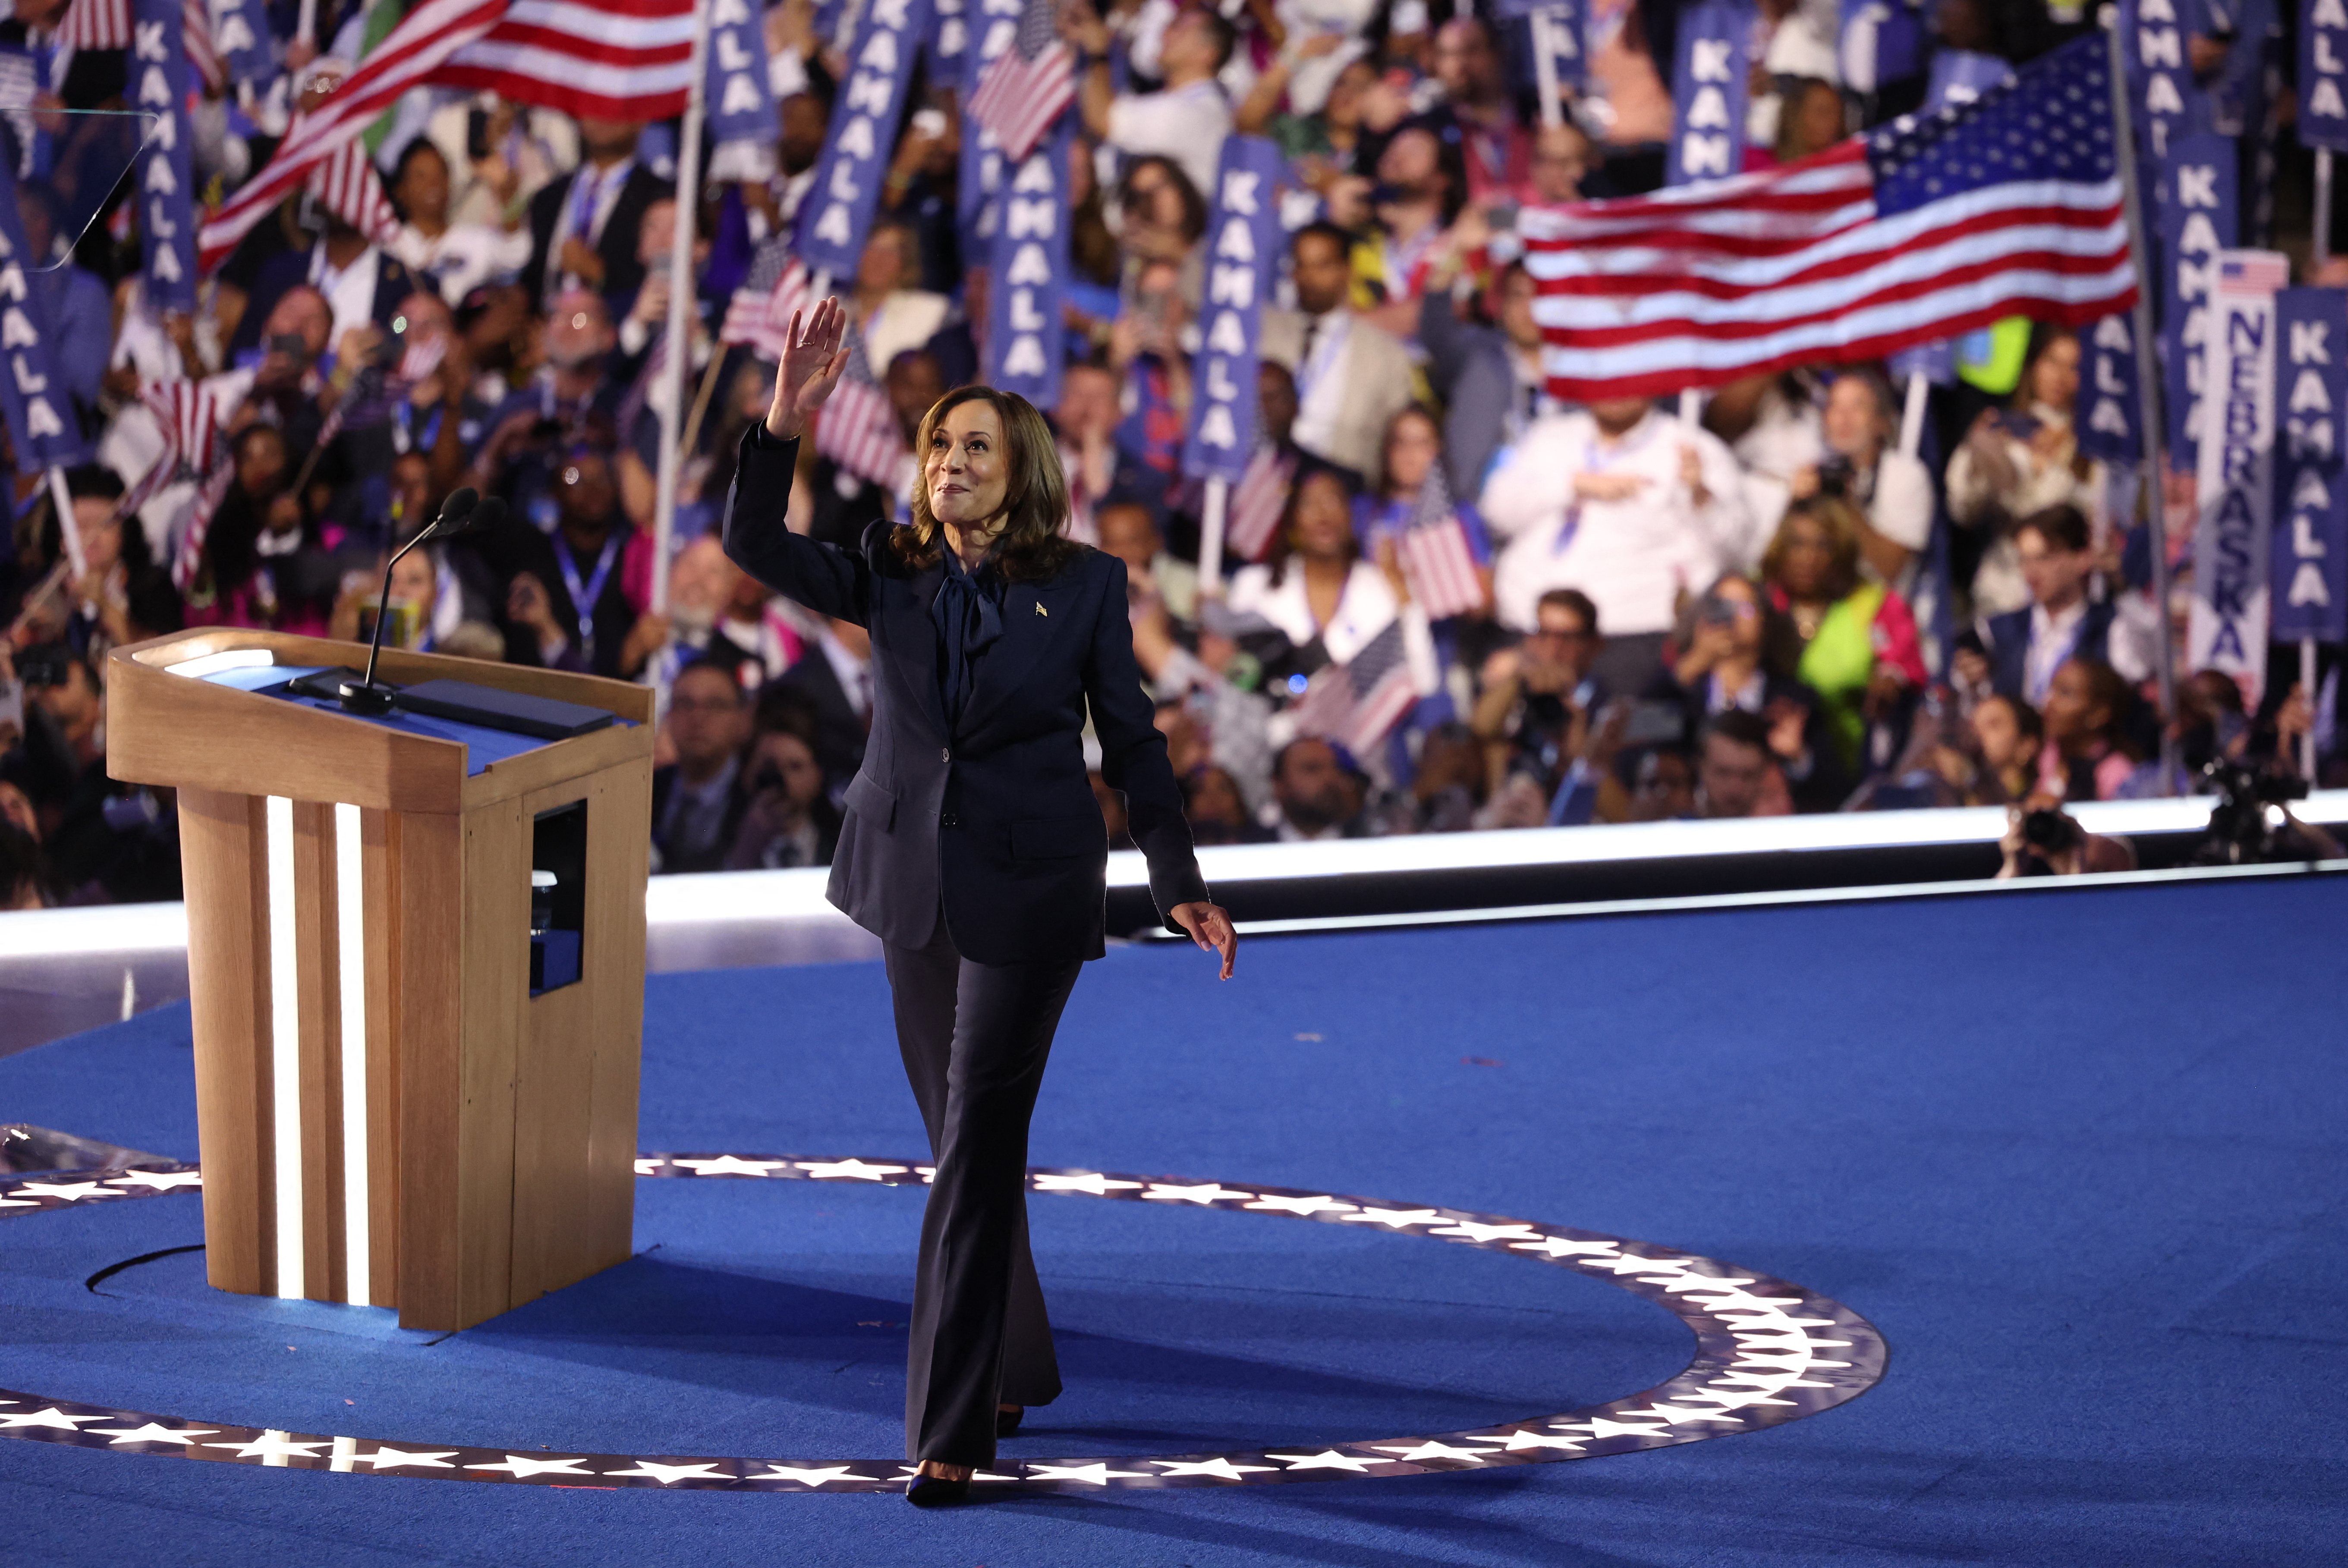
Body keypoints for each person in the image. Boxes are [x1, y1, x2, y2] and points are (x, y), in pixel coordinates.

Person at [722, 298, 1236, 1503]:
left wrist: (1179, 880)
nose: (947, 465)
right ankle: (1015, 1357)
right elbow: (753, 540)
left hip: (1031, 894)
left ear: (1020, 480)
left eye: (974, 451)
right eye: (937, 447)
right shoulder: (890, 570)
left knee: (971, 1150)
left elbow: (1137, 747)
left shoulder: (1088, 587)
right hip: (910, 886)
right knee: (966, 1145)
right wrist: (785, 413)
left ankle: (951, 1427)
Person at [1481, 393, 1756, 695]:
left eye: (1628, 377)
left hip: (1632, 639)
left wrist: (1701, 495)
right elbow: (1496, 510)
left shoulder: (1693, 446)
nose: (1615, 391)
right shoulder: (1550, 436)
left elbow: (1738, 547)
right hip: (1532, 630)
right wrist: (1574, 484)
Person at [1945, 323, 2107, 617]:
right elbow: (1963, 509)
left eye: (2075, 367)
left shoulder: (2094, 444)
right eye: (2052, 362)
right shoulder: (2008, 428)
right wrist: (1979, 455)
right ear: (2033, 365)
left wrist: (2053, 468)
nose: (2060, 377)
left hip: (2066, 601)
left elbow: (2094, 517)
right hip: (2003, 594)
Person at [1262, 223, 1419, 483]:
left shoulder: (1385, 355)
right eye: (1301, 265)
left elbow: (1397, 441)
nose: (1309, 277)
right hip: (1267, 484)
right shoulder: (1264, 331)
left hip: (1347, 489)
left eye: (1322, 265)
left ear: (1347, 270)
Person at [1960, 505, 2113, 707]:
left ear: (2082, 558)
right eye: (2024, 560)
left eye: (2044, 558)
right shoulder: (1998, 632)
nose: (2031, 573)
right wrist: (1970, 683)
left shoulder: (2111, 628)